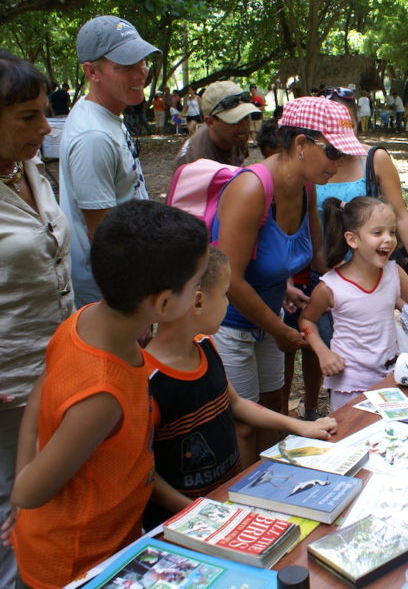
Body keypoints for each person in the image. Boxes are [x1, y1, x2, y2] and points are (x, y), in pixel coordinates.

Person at [8, 199, 209, 589]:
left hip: (114, 546)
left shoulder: (81, 322)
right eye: (197, 284)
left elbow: (38, 395)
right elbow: (28, 492)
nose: (200, 292)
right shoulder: (102, 395)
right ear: (164, 303)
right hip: (76, 565)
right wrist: (24, 493)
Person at [209, 96, 363, 462]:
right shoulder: (251, 190)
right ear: (301, 145)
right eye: (332, 152)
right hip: (231, 323)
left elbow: (313, 259)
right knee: (244, 424)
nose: (339, 163)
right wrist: (280, 331)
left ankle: (273, 484)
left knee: (274, 408)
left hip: (269, 316)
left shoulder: (306, 186)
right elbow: (230, 279)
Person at [143, 248, 337, 526]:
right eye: (224, 295)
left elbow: (235, 403)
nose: (227, 303)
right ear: (197, 302)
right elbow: (145, 471)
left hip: (223, 500)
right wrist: (194, 511)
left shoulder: (205, 347)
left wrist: (300, 426)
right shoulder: (149, 381)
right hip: (185, 522)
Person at [286, 87, 408, 420]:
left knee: (360, 349)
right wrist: (289, 273)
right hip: (318, 271)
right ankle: (315, 409)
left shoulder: (373, 159)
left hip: (367, 272)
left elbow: (400, 214)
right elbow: (293, 222)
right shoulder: (310, 167)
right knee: (321, 346)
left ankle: (355, 407)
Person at [0, 51, 74, 587]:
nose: (45, 128)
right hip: (8, 391)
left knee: (54, 502)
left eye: (43, 113)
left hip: (59, 372)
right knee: (12, 516)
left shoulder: (29, 167)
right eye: (28, 117)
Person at [301, 196, 408, 410]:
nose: (389, 239)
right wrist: (323, 352)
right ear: (352, 239)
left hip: (390, 376)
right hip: (350, 382)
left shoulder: (394, 272)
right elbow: (306, 320)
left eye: (392, 232)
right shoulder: (330, 287)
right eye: (378, 233)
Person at [59, 15, 159, 308]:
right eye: (126, 66)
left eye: (142, 61)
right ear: (92, 72)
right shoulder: (94, 136)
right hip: (110, 293)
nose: (140, 73)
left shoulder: (108, 113)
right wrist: (130, 302)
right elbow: (103, 235)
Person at [174, 81, 256, 168]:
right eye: (234, 120)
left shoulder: (238, 136)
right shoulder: (199, 162)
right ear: (210, 122)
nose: (244, 125)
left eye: (245, 116)